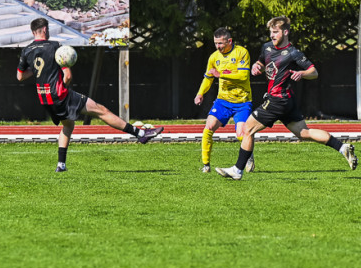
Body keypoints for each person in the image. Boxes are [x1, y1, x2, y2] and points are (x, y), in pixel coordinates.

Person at [215, 16, 357, 180]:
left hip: (278, 99)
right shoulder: (267, 47)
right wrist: (256, 66)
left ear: (286, 32)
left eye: (275, 32)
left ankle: (237, 170)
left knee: (247, 129)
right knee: (304, 133)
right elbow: (262, 63)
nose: (272, 35)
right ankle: (342, 148)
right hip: (286, 101)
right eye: (270, 32)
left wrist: (302, 73)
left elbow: (314, 72)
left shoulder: (293, 53)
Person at [17, 18, 162, 171]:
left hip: (44, 98)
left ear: (33, 31)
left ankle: (61, 165)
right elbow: (68, 77)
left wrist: (35, 69)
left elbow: (20, 76)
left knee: (68, 125)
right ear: (45, 29)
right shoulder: (55, 47)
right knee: (101, 110)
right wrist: (63, 89)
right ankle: (140, 133)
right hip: (60, 95)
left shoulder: (26, 51)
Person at [194, 27, 255, 173]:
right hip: (222, 101)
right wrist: (200, 93)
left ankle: (249, 154)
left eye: (221, 43)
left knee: (241, 134)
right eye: (216, 43)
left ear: (230, 41)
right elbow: (208, 78)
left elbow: (243, 77)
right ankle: (206, 165)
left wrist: (220, 74)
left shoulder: (241, 52)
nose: (218, 47)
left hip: (242, 101)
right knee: (208, 127)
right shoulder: (214, 57)